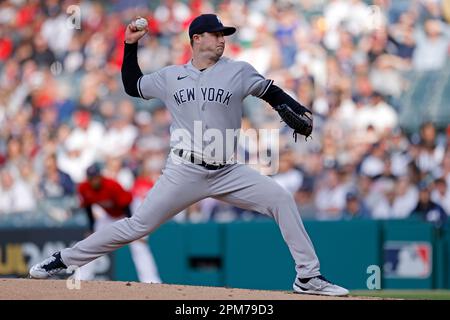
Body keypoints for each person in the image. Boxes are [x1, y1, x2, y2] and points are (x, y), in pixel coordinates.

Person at [30, 14, 348, 296]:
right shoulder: (171, 76)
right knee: (136, 226)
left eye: (225, 34)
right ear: (197, 39)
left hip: (228, 171)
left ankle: (308, 277)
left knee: (282, 200)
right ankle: (63, 260)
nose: (223, 39)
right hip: (184, 169)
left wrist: (292, 108)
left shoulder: (238, 71)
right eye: (217, 34)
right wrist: (129, 46)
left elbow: (272, 93)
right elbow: (132, 85)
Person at [73, 163, 161, 283]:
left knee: (139, 245)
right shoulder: (84, 188)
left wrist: (134, 230)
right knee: (92, 241)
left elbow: (126, 205)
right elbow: (88, 208)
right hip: (110, 215)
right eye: (91, 178)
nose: (94, 180)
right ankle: (83, 277)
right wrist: (91, 229)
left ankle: (151, 280)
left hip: (133, 211)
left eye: (96, 177)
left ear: (100, 176)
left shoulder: (111, 185)